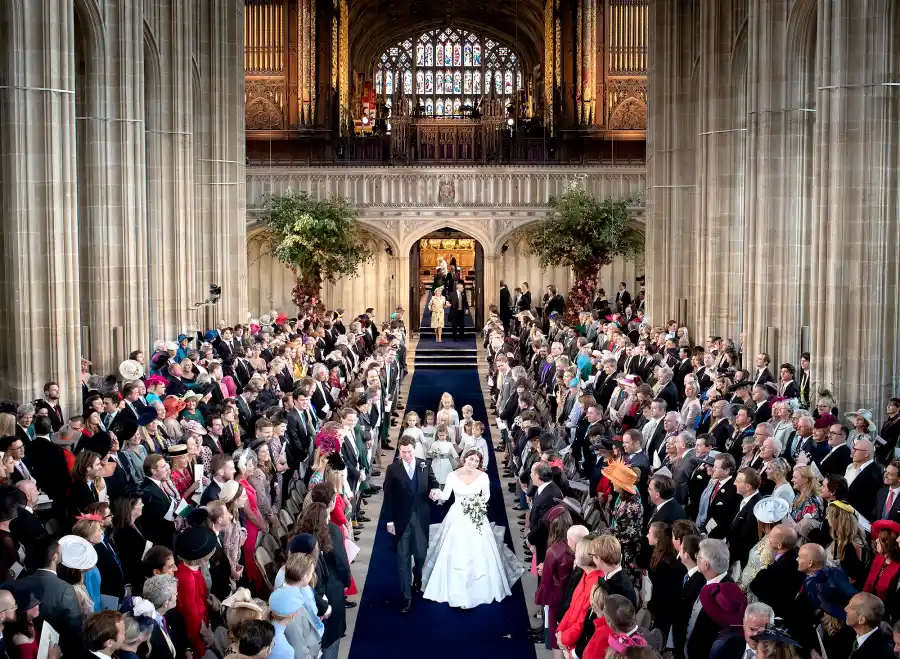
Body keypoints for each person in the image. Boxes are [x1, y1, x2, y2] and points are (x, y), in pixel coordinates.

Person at [422, 448, 525, 608]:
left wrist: (478, 504)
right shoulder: (452, 475)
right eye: (471, 459)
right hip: (457, 516)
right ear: (465, 459)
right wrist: (436, 494)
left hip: (476, 515)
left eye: (476, 461)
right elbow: (446, 495)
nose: (473, 463)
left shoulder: (483, 476)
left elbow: (486, 495)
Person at [844, 592, 896, 658]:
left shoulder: (879, 653)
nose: (845, 609)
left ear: (861, 620)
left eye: (851, 607)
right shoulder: (847, 636)